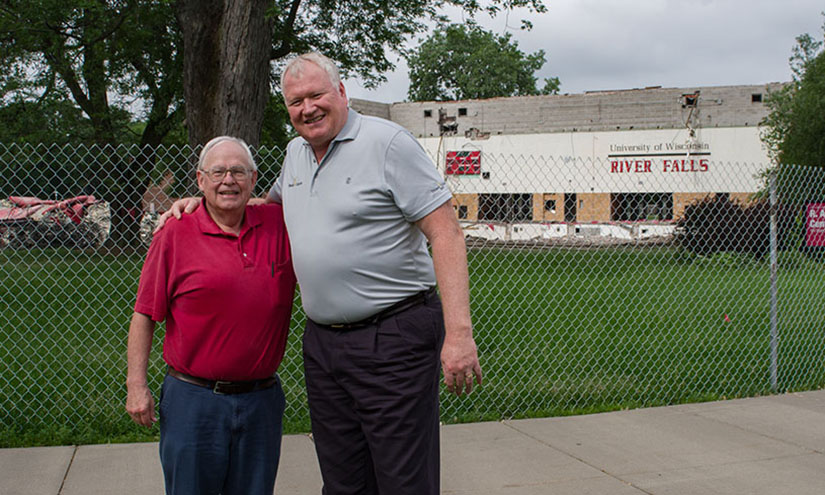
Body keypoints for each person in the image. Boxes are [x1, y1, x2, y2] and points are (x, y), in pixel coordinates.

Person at [162, 52, 482, 495]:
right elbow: (261, 207)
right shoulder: (296, 155)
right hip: (325, 345)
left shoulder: (387, 143)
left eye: (316, 95)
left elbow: (446, 232)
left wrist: (459, 333)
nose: (307, 108)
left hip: (393, 336)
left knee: (402, 479)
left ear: (342, 93)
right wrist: (201, 202)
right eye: (296, 101)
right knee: (343, 479)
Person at [126, 136, 296, 495]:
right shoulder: (174, 232)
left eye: (238, 172)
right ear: (200, 180)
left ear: (253, 180)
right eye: (217, 172)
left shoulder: (279, 224)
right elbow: (144, 314)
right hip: (194, 400)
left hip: (261, 400)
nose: (228, 180)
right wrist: (136, 386)